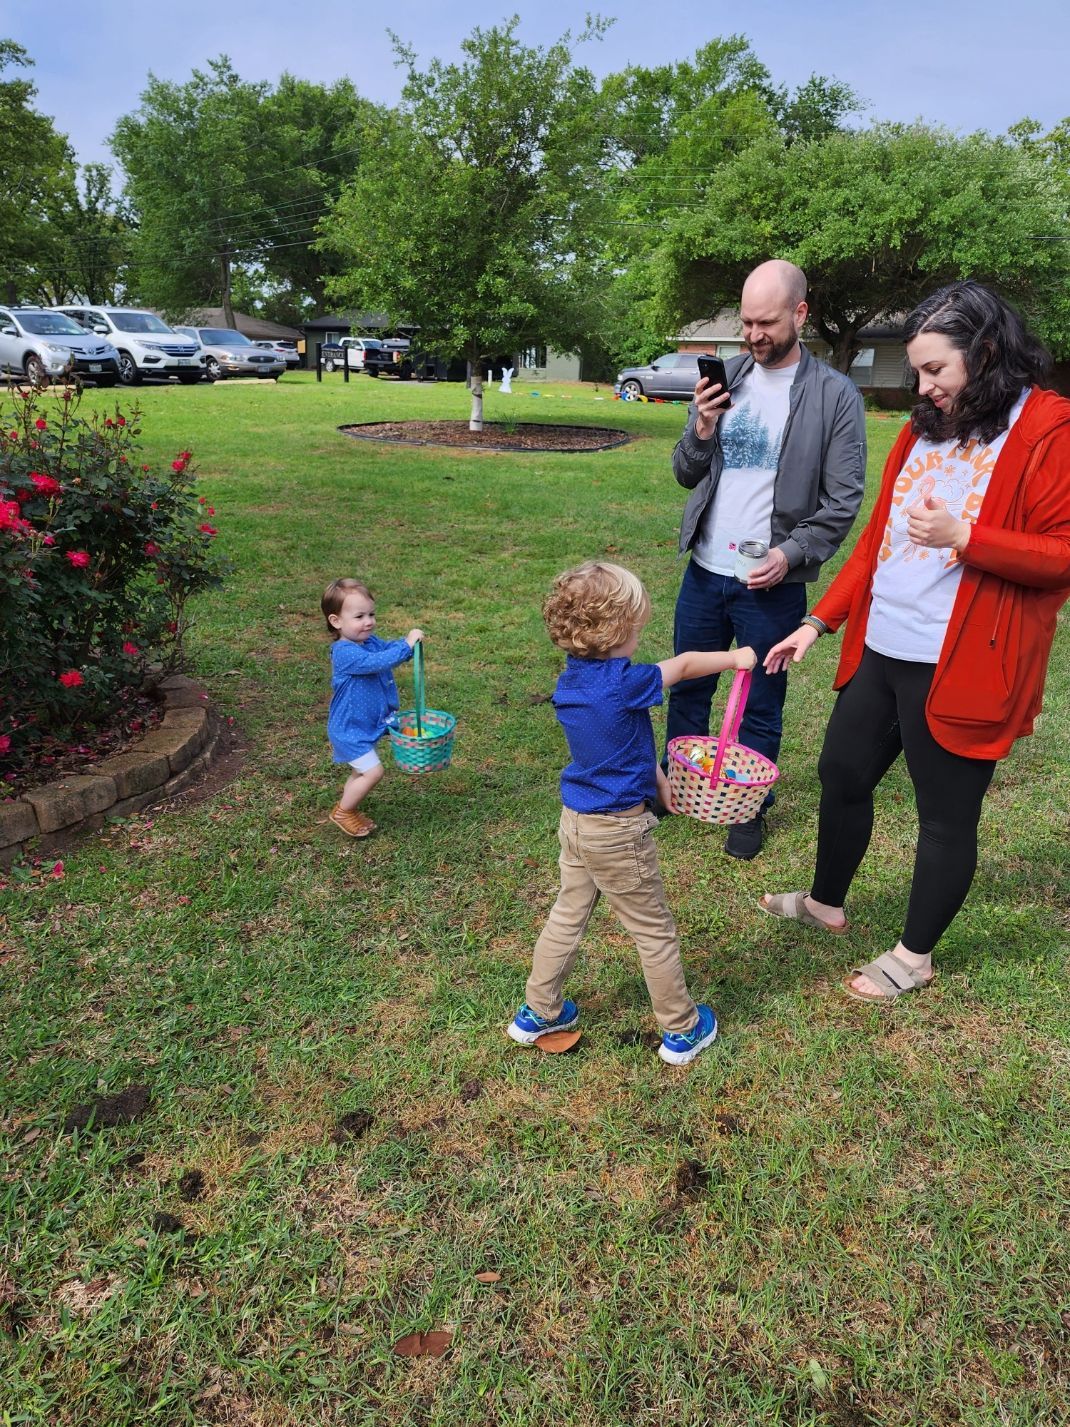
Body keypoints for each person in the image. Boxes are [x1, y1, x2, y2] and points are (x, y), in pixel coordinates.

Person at [760, 280, 1070, 1001]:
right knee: (841, 773)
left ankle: (913, 955)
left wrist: (969, 538)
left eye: (937, 370)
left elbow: (1061, 552)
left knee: (944, 815)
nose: (922, 386)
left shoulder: (1046, 427)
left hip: (964, 660)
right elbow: (877, 542)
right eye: (918, 370)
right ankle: (824, 903)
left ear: (986, 353)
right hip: (884, 645)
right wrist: (818, 620)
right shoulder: (923, 427)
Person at [507, 561, 756, 1065]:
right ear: (620, 630)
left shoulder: (572, 682)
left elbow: (617, 746)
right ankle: (682, 1030)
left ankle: (539, 1010)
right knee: (653, 930)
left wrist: (657, 778)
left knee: (567, 915)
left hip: (577, 821)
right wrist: (736, 657)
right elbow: (683, 665)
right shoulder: (623, 682)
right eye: (638, 626)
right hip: (618, 832)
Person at [668, 259, 867, 859]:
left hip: (770, 583)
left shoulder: (835, 396)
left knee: (760, 696)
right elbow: (684, 472)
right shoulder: (726, 376)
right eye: (747, 322)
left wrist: (792, 554)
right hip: (705, 571)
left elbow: (843, 501)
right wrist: (702, 428)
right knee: (690, 685)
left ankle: (747, 804)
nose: (753, 335)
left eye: (766, 323)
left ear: (800, 314)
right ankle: (678, 786)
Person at [321, 578, 423, 838]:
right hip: (349, 730)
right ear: (336, 621)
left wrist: (406, 645)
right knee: (373, 771)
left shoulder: (368, 642)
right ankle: (343, 811)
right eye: (359, 616)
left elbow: (388, 649)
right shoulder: (344, 652)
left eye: (371, 614)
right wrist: (406, 646)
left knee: (361, 770)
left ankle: (349, 809)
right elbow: (379, 661)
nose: (368, 621)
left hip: (364, 725)